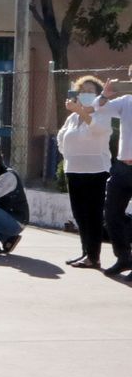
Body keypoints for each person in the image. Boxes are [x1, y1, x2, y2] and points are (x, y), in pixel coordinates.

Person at [57, 77, 112, 268]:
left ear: (98, 95)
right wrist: (69, 156)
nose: (86, 94)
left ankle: (93, 257)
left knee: (93, 215)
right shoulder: (72, 117)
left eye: (91, 91)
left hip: (96, 171)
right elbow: (61, 137)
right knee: (79, 214)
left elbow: (98, 130)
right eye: (83, 91)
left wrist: (81, 111)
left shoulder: (102, 113)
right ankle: (84, 252)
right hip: (74, 170)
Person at [92, 72, 132, 277]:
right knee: (111, 213)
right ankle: (124, 258)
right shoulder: (126, 101)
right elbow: (99, 108)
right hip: (122, 167)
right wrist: (105, 95)